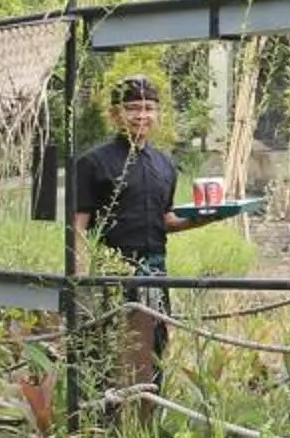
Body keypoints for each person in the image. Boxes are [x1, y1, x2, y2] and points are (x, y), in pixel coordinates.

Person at [68, 77, 218, 387]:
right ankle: (104, 424)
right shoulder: (92, 163)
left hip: (155, 272)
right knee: (106, 350)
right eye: (132, 108)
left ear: (159, 114)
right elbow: (77, 226)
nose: (141, 115)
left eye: (149, 108)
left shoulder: (164, 164)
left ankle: (149, 420)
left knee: (155, 347)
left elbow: (164, 219)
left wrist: (202, 220)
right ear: (114, 114)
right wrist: (83, 276)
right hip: (109, 273)